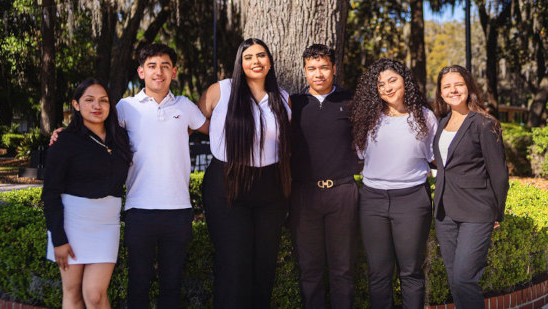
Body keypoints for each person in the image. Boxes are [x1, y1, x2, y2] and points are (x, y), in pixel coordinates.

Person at [50, 44, 209, 308]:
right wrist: (63, 132)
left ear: (175, 72)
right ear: (141, 72)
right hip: (139, 210)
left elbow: (214, 130)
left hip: (179, 211)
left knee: (172, 285)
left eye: (165, 66)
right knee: (138, 283)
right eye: (152, 66)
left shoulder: (185, 106)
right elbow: (94, 126)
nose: (159, 72)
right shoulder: (125, 107)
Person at [197, 38, 291, 309]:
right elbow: (196, 122)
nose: (255, 61)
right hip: (228, 184)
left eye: (261, 56)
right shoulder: (220, 90)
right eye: (248, 57)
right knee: (234, 266)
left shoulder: (282, 97)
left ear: (270, 61)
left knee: (264, 267)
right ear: (240, 63)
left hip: (270, 189)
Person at [350, 58, 438, 309]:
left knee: (411, 271)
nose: (387, 87)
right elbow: (359, 156)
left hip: (411, 200)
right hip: (373, 201)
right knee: (378, 273)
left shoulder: (425, 117)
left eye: (392, 80)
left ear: (405, 82)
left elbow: (436, 158)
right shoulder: (368, 118)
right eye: (380, 84)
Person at [42, 78, 132, 309]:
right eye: (89, 100)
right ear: (76, 105)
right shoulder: (64, 141)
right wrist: (59, 239)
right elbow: (50, 193)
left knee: (94, 294)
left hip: (106, 224)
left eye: (103, 101)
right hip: (72, 223)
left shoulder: (121, 138)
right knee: (72, 293)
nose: (97, 106)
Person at [432, 65, 509, 308]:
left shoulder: (484, 124)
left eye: (458, 84)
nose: (453, 90)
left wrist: (497, 212)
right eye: (447, 86)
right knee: (455, 280)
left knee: (465, 278)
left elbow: (499, 174)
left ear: (469, 88)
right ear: (440, 92)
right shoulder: (442, 123)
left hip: (476, 212)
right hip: (445, 213)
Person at [289, 44, 359, 308]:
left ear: (334, 69)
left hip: (342, 192)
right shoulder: (292, 104)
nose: (318, 73)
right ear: (305, 71)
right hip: (303, 194)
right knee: (309, 271)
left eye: (324, 67)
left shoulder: (351, 102)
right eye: (312, 68)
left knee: (343, 270)